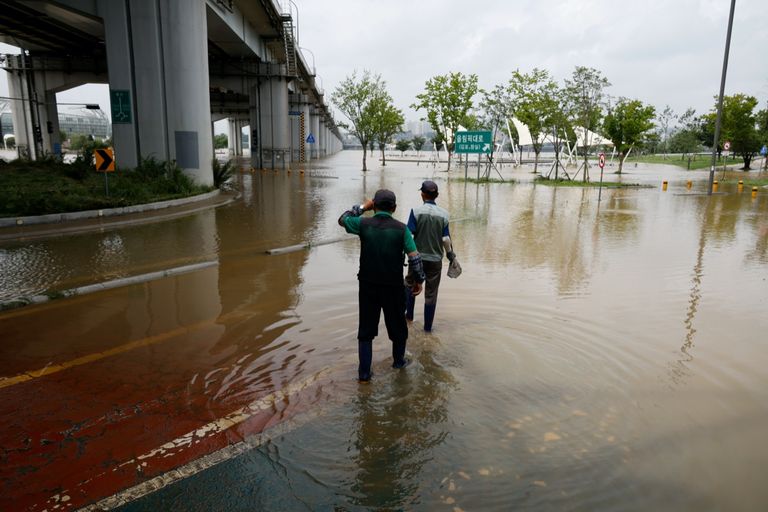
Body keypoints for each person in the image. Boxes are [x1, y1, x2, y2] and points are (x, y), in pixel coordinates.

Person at [338, 189, 425, 382]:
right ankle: (399, 363)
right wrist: (418, 281)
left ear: (374, 206)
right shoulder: (402, 229)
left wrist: (362, 207)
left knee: (366, 331)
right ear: (394, 208)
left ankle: (364, 374)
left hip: (368, 286)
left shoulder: (363, 224)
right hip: (393, 287)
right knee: (398, 328)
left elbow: (343, 219)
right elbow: (415, 258)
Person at [406, 180, 456, 332]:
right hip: (435, 261)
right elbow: (445, 239)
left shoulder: (415, 211)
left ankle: (409, 319)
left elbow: (408, 235)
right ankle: (428, 329)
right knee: (431, 295)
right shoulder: (444, 214)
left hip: (417, 260)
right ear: (437, 195)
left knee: (411, 286)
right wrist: (450, 255)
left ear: (422, 195)